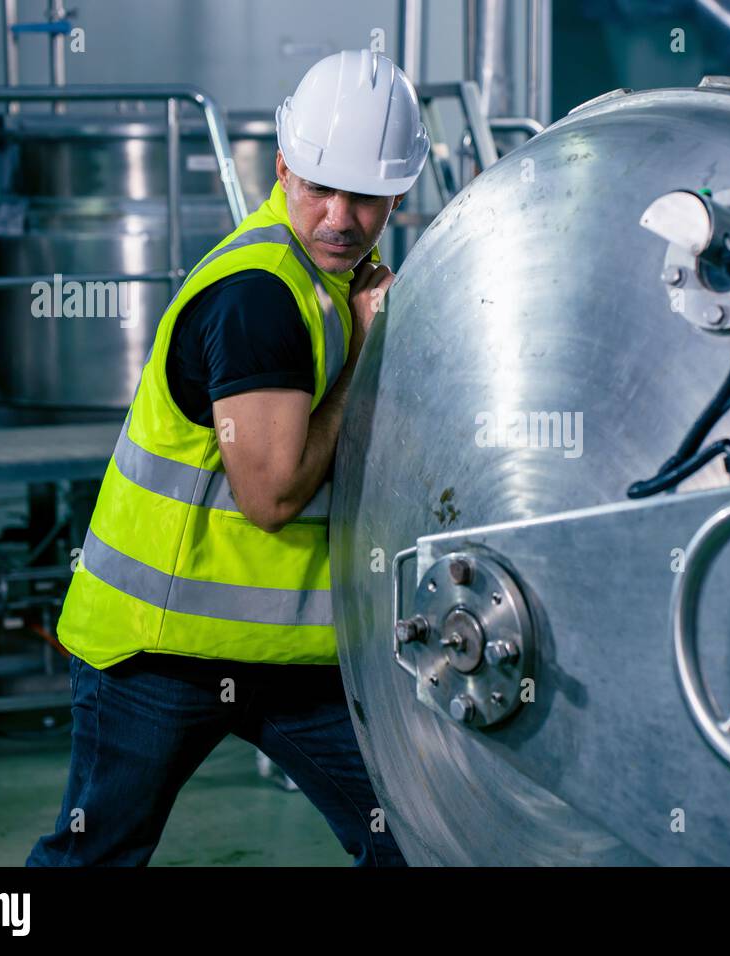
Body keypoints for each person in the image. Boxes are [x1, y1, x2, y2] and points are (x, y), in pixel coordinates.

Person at [27, 49, 429, 867]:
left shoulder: (336, 281)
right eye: (320, 186)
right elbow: (272, 494)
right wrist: (368, 357)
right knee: (93, 858)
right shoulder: (258, 295)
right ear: (283, 167)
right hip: (159, 651)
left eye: (368, 197)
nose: (340, 218)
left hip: (286, 651)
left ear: (398, 194)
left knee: (420, 840)